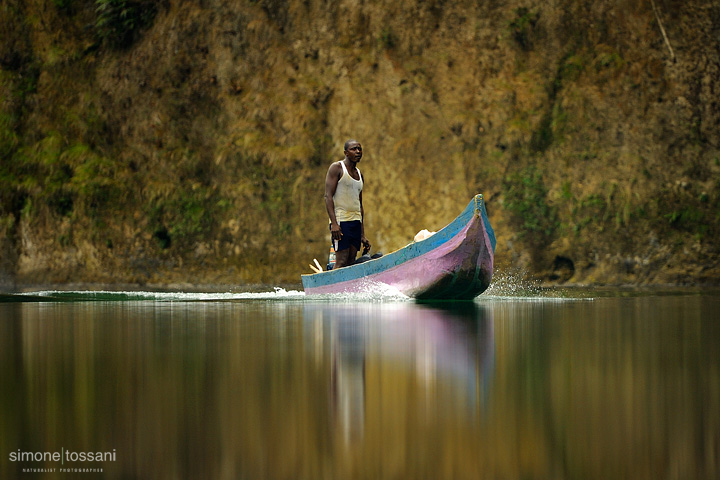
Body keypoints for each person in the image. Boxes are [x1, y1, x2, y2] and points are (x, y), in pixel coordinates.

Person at [324, 139, 371, 269]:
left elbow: (359, 205)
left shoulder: (359, 174)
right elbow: (328, 196)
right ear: (346, 152)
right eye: (354, 149)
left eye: (359, 149)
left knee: (351, 260)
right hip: (341, 221)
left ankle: (347, 289)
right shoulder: (337, 168)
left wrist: (362, 234)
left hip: (355, 221)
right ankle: (332, 289)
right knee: (341, 260)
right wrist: (334, 223)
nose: (358, 152)